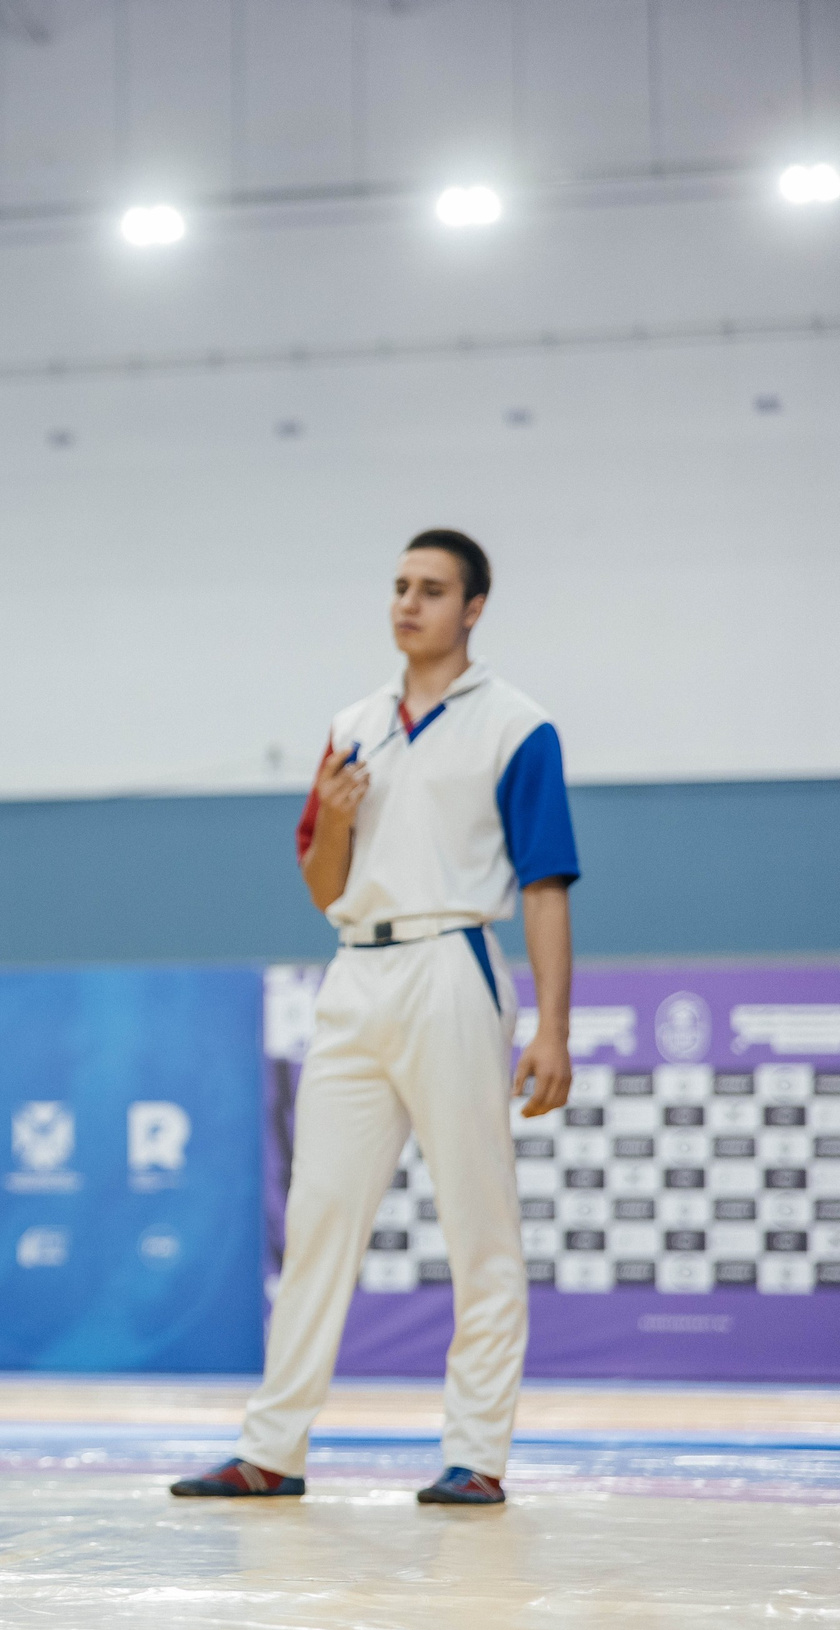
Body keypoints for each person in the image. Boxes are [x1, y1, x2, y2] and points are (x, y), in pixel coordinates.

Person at [172, 528, 577, 1508]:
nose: (407, 603)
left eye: (430, 589)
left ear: (472, 608)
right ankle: (271, 1449)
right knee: (318, 1214)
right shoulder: (353, 724)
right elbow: (323, 885)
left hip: (452, 961)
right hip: (354, 969)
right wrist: (338, 814)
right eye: (399, 585)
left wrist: (553, 1030)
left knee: (478, 1218)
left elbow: (545, 886)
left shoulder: (518, 726)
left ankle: (476, 1454)